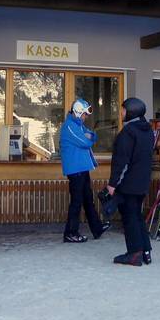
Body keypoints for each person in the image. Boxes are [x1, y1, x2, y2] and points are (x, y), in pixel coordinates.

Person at [107, 97, 156, 266]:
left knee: (129, 217)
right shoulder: (148, 131)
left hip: (128, 183)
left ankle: (134, 254)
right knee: (137, 216)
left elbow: (122, 161)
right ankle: (146, 251)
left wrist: (113, 184)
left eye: (123, 110)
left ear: (131, 112)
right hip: (142, 182)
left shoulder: (128, 133)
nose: (121, 113)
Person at [60, 98, 109, 243]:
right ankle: (70, 233)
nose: (86, 117)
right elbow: (85, 142)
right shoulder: (69, 126)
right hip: (75, 169)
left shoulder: (78, 125)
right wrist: (88, 137)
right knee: (77, 201)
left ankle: (96, 228)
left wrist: (89, 137)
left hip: (81, 167)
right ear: (77, 112)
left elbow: (93, 135)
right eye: (84, 114)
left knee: (87, 198)